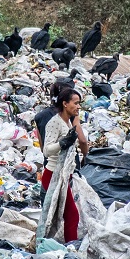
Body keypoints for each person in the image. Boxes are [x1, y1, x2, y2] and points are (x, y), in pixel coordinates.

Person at [40, 87, 90, 243]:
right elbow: (46, 151)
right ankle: (71, 248)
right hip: (53, 175)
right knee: (71, 215)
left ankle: (49, 243)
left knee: (57, 215)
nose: (79, 107)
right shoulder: (54, 123)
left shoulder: (67, 122)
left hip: (63, 175)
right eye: (75, 103)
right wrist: (62, 143)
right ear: (65, 104)